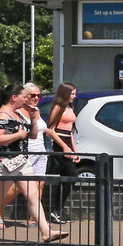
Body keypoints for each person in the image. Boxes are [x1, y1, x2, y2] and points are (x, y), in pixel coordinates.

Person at [0, 83, 63, 244]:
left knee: (33, 196)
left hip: (21, 161)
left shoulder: (19, 114)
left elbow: (33, 136)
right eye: (24, 96)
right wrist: (19, 135)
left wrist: (34, 120)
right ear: (14, 97)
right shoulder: (2, 115)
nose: (27, 99)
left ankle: (45, 232)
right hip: (4, 161)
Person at [41, 82, 79, 223]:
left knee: (67, 177)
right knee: (72, 175)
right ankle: (56, 210)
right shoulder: (58, 107)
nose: (74, 96)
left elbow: (71, 131)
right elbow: (51, 130)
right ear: (66, 94)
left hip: (68, 141)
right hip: (60, 143)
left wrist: (75, 150)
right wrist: (64, 147)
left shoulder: (70, 107)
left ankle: (60, 210)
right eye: (72, 94)